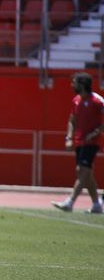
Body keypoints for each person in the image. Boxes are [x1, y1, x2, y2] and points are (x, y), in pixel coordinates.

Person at [53, 72, 104, 214]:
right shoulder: (76, 100)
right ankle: (96, 204)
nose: (72, 85)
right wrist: (69, 138)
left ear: (82, 84)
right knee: (86, 174)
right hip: (79, 141)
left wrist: (95, 132)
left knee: (82, 171)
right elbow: (72, 120)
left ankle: (70, 202)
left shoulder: (97, 101)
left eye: (74, 82)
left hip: (92, 142)